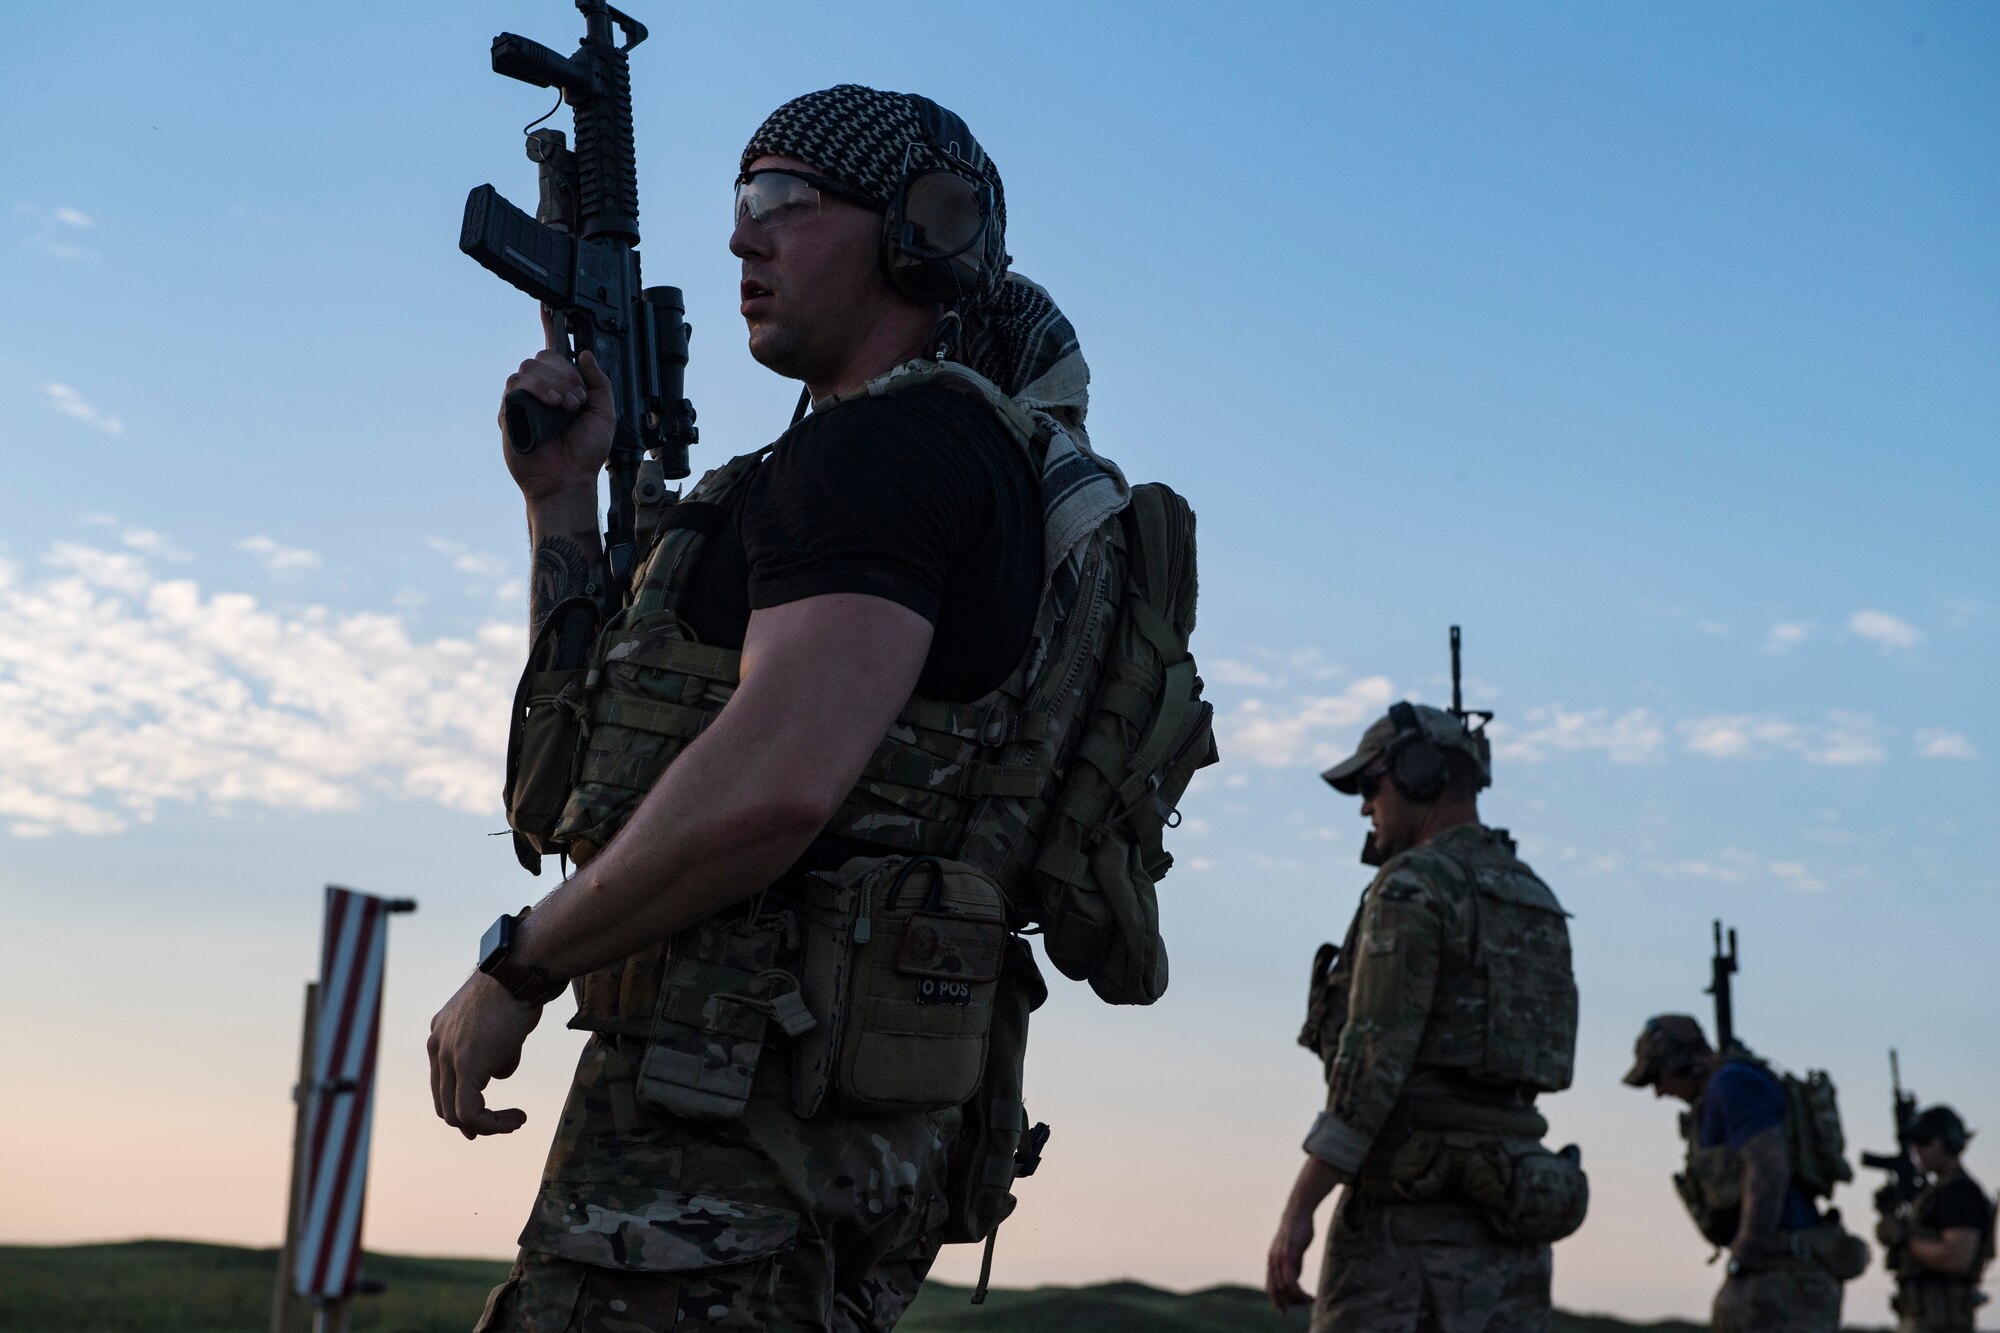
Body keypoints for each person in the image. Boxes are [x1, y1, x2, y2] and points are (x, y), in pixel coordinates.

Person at [426, 84, 1156, 1330]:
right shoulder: (891, 461)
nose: (739, 238)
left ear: (920, 227)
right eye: (738, 201)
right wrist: (561, 501)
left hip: (725, 1168)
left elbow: (775, 781)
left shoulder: (888, 457)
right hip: (778, 1148)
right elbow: (585, 781)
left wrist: (521, 962)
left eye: (782, 200)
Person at [1266, 702, 1586, 1332]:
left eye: (1369, 784)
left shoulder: (1414, 884)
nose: (1365, 806)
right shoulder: (1536, 897)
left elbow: (1370, 1069)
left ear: (1417, 773)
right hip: (1513, 1231)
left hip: (1406, 1244)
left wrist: (1300, 1209)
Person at [1623, 1014, 1867, 1333]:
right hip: (1779, 1272)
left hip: (1782, 1278)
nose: (1659, 1091)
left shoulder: (1731, 1084)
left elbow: (1768, 1163)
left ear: (1680, 1061)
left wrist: (1747, 1251)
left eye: (1657, 1076)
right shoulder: (1727, 1085)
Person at [1878, 1105, 1995, 1332]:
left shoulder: (1960, 1192)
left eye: (1924, 1141)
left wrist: (1903, 1238)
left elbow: (1956, 1258)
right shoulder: (1934, 1193)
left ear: (1947, 1142)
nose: (1916, 1149)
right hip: (1923, 1316)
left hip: (1943, 1320)